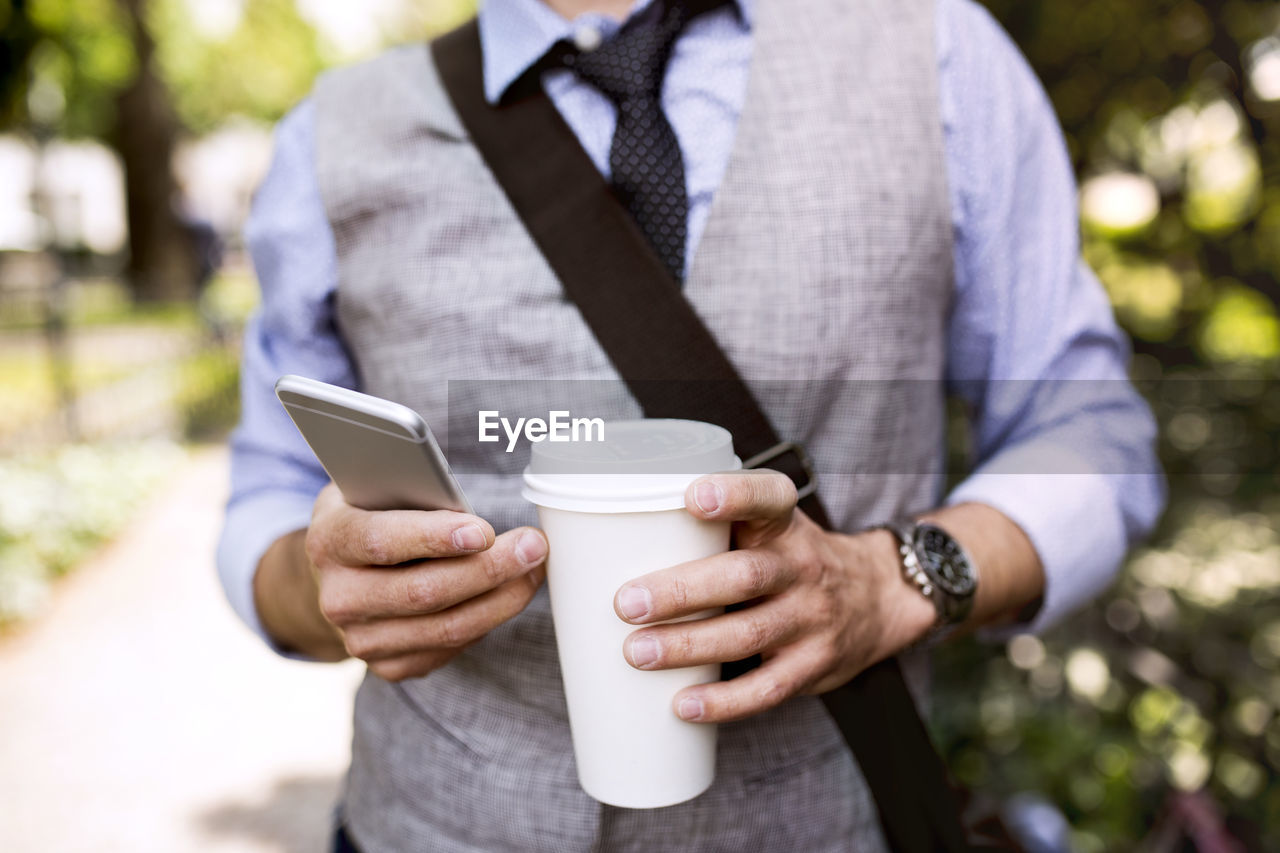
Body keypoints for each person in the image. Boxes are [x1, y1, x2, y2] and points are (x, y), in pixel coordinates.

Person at [217, 0, 1165, 849]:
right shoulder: (331, 139)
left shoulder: (936, 47)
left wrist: (898, 577)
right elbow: (267, 497)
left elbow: (1090, 431)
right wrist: (321, 583)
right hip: (422, 823)